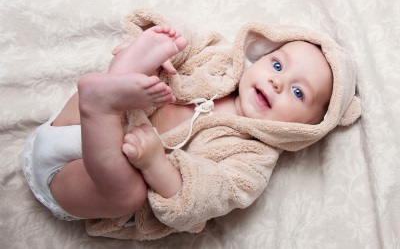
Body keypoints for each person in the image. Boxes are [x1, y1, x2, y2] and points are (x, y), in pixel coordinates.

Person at [22, 19, 360, 240]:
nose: (277, 81)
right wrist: (168, 44)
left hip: (73, 182)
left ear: (307, 128)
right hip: (71, 126)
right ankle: (119, 81)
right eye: (277, 64)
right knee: (148, 73)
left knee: (129, 194)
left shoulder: (252, 160)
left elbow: (206, 196)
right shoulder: (219, 63)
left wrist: (156, 164)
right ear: (260, 56)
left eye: (298, 93)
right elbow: (194, 41)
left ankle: (105, 100)